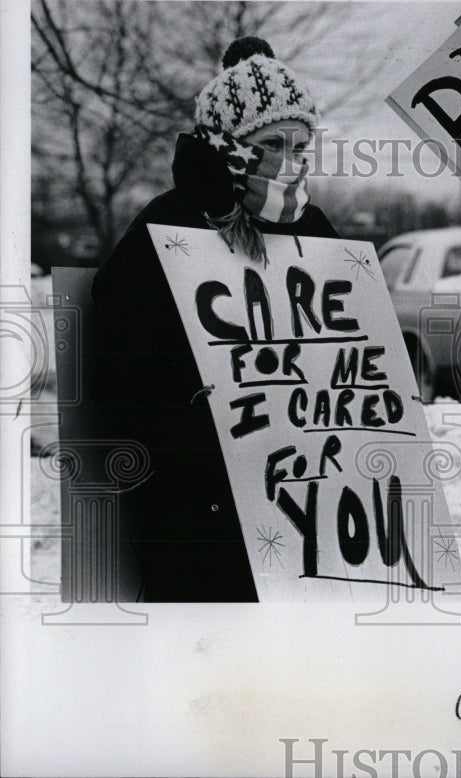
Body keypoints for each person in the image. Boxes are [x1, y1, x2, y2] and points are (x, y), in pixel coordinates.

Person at [91, 37, 339, 601]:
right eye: (271, 143)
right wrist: (197, 413)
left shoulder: (316, 228)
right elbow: (115, 368)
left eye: (301, 145)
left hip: (304, 506)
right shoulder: (168, 225)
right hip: (197, 510)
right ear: (227, 144)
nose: (289, 159)